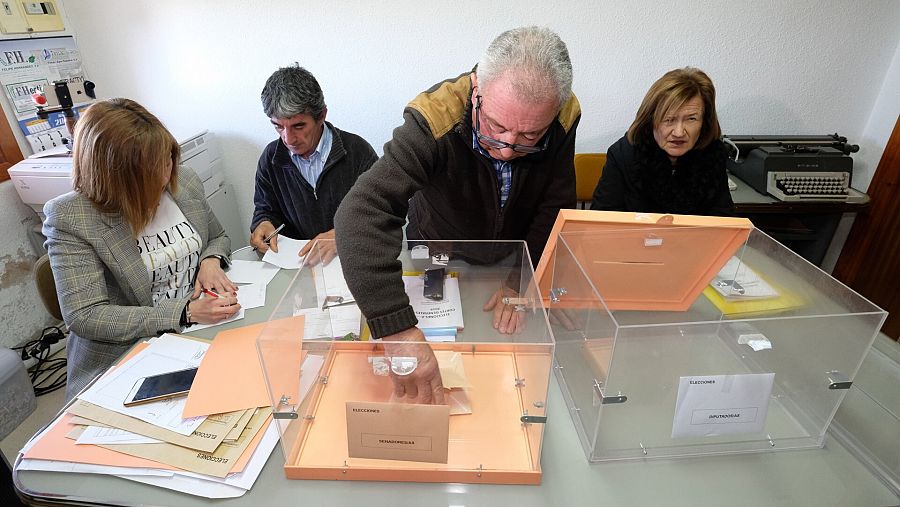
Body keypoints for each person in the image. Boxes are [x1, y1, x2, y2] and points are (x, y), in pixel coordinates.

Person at [335, 26, 580, 404]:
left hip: (508, 258)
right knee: (440, 325)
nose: (507, 150)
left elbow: (554, 205)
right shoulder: (433, 118)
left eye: (530, 136)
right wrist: (397, 330)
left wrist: (522, 279)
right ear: (476, 88)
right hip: (435, 246)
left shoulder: (563, 113)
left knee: (496, 353)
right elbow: (361, 213)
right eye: (496, 127)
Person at [43, 98, 240, 400]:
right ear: (114, 176)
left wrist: (210, 260)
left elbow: (219, 236)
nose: (165, 176)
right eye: (151, 170)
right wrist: (184, 312)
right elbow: (86, 315)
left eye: (167, 160)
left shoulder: (182, 181)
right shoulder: (72, 217)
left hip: (199, 334)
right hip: (128, 354)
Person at [250, 65, 378, 264]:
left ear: (322, 115)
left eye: (298, 126)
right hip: (297, 266)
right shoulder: (271, 158)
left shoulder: (358, 152)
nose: (288, 139)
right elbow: (265, 209)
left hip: (351, 262)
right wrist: (263, 223)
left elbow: (383, 214)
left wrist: (341, 235)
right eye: (278, 126)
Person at [590, 67, 733, 216]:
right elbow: (602, 219)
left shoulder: (713, 154)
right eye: (669, 119)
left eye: (691, 119)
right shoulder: (623, 154)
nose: (679, 132)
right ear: (651, 119)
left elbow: (724, 219)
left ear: (704, 121)